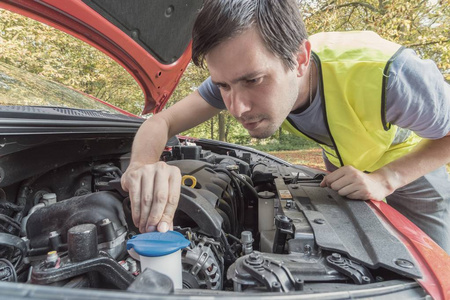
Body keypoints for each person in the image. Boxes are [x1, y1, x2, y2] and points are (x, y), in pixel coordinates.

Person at [121, 0, 450, 252]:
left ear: (300, 59)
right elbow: (162, 121)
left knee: (435, 263)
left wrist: (386, 179)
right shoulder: (241, 72)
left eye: (254, 80)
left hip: (410, 167)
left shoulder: (391, 73)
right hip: (345, 164)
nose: (237, 107)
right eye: (223, 86)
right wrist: (141, 166)